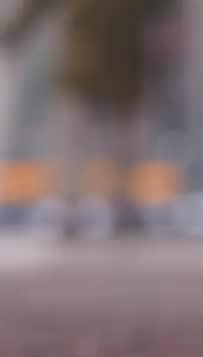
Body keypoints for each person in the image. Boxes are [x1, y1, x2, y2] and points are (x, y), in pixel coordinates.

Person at [2, 0, 184, 239]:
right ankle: (68, 209)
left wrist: (171, 28)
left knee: (126, 141)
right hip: (82, 65)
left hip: (127, 64)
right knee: (72, 139)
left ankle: (124, 207)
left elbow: (165, 7)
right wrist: (13, 33)